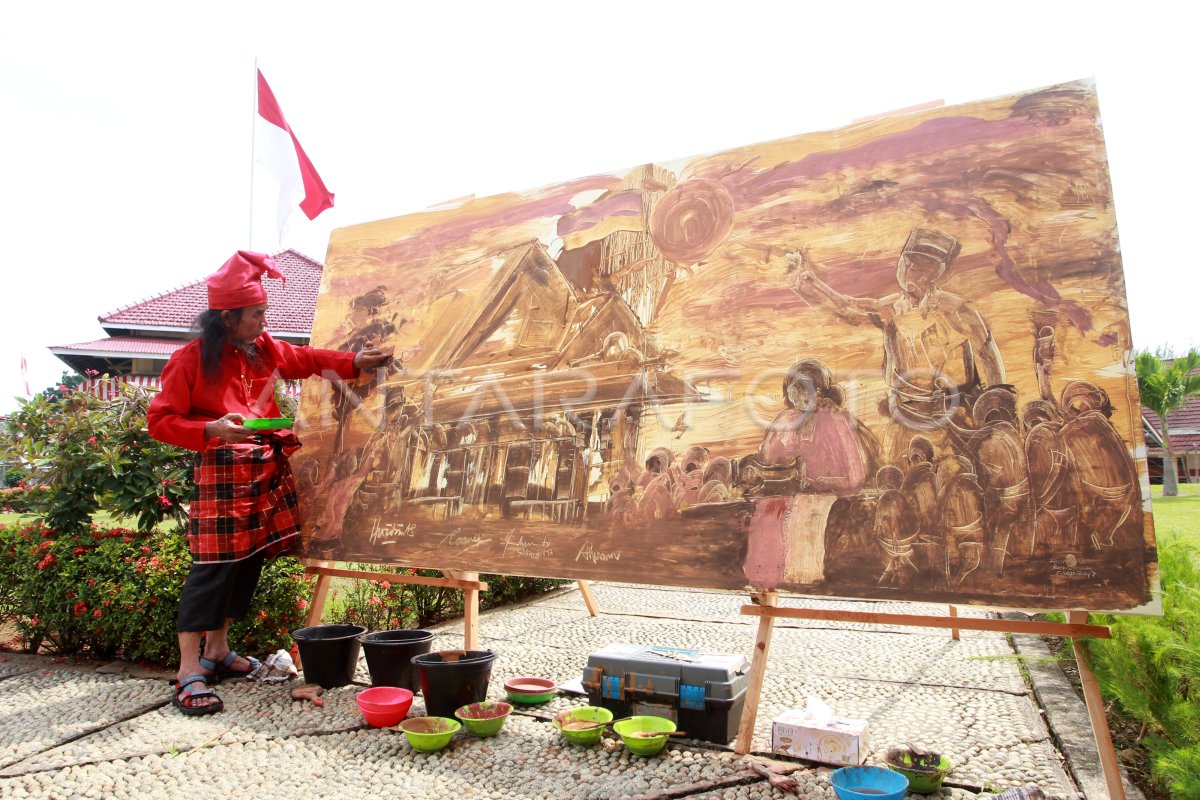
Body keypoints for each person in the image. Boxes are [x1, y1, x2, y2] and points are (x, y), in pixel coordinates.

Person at [147, 251, 391, 716]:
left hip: (262, 467)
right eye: (256, 314)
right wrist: (212, 430)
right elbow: (160, 421)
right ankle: (187, 670)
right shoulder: (189, 360)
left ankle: (217, 652)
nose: (264, 320)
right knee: (213, 568)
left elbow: (304, 358)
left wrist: (356, 359)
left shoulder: (263, 348)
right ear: (227, 317)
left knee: (246, 564)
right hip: (222, 471)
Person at [792, 229, 1005, 436]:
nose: (908, 269)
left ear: (937, 271)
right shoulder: (893, 308)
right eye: (907, 262)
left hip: (957, 415)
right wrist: (811, 285)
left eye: (919, 266)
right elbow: (848, 307)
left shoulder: (957, 309)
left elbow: (989, 353)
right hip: (906, 412)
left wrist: (996, 404)